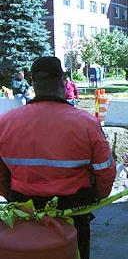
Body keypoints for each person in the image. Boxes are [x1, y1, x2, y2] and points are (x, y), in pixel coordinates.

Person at [0, 56, 116, 259]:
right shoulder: (87, 124)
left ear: (33, 82)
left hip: (22, 208)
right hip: (73, 209)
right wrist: (96, 197)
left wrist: (11, 197)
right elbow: (105, 171)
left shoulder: (6, 122)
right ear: (63, 81)